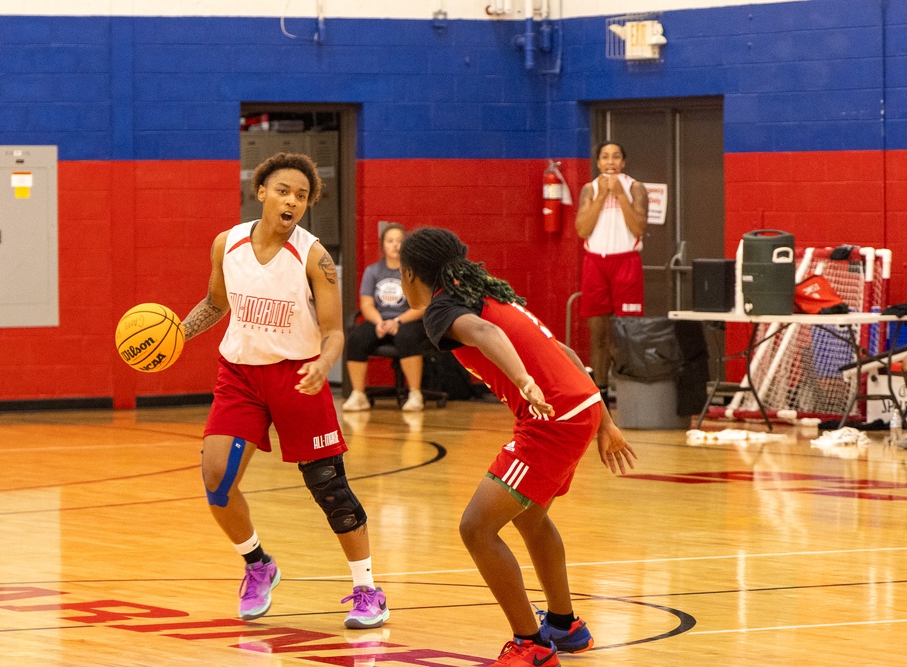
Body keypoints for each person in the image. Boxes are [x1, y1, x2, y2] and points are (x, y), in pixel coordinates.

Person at [398, 227, 637, 667]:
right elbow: (561, 349)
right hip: (577, 406)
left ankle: (531, 645)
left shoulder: (444, 310)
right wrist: (602, 416)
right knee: (530, 515)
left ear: (410, 273)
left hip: (551, 418)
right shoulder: (487, 294)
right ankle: (564, 626)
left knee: (476, 528)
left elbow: (486, 334)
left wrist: (525, 381)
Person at [178, 152, 389, 630]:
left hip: (298, 374)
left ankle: (367, 590)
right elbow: (215, 304)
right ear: (261, 193)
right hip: (240, 376)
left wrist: (324, 363)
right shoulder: (226, 244)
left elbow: (335, 330)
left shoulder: (315, 256)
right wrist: (179, 333)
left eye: (301, 195)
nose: (292, 201)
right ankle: (258, 565)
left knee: (329, 487)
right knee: (216, 479)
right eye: (283, 191)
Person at [574, 142, 648, 406]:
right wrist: (602, 197)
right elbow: (582, 229)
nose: (611, 161)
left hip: (626, 263)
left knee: (627, 332)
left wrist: (619, 195)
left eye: (616, 156)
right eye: (605, 156)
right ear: (598, 163)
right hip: (596, 263)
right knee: (599, 333)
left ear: (623, 162)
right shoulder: (589, 189)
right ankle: (600, 393)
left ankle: (631, 390)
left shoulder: (635, 188)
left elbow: (638, 225)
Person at [343, 223, 430, 412]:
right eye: (390, 241)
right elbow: (366, 305)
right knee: (357, 338)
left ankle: (415, 394)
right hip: (380, 320)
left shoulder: (414, 271)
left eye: (400, 241)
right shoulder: (373, 271)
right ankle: (359, 394)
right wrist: (379, 322)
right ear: (383, 246)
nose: (395, 245)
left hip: (407, 320)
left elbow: (423, 306)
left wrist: (397, 321)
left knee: (407, 337)